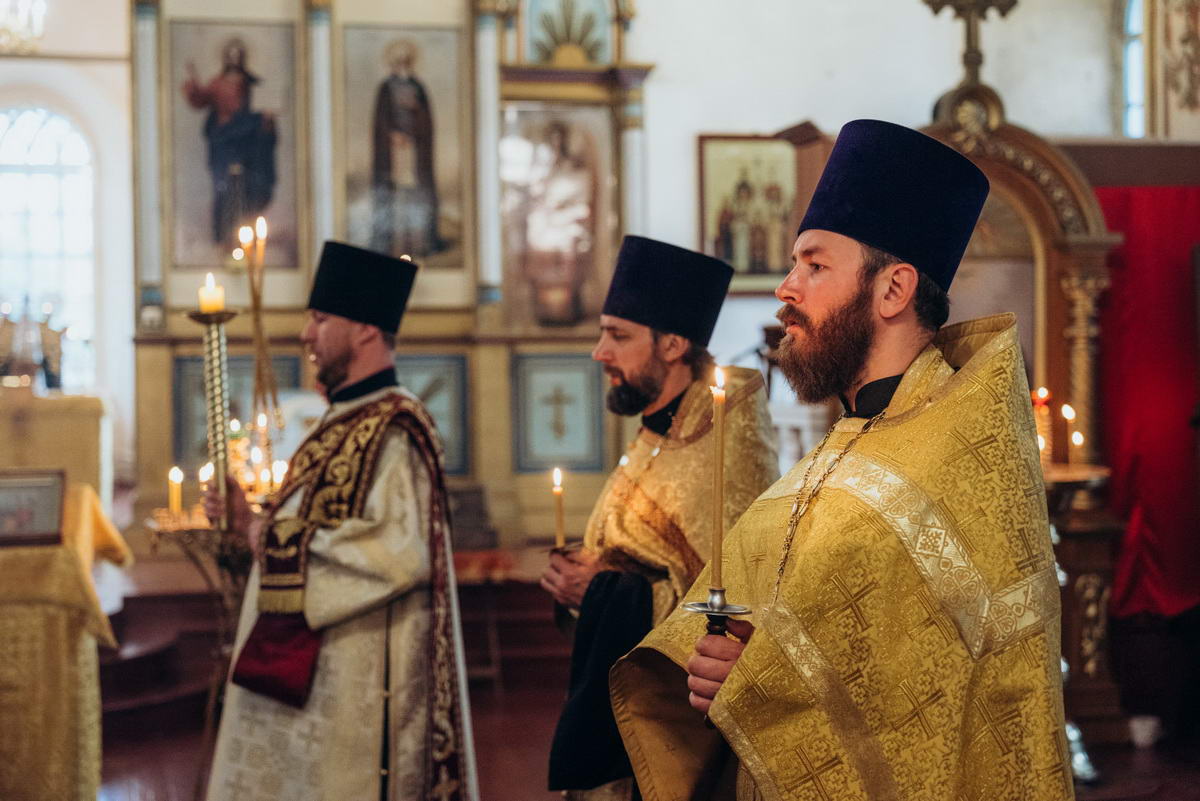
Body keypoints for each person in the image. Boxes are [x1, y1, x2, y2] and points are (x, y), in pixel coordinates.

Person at [609, 120, 1072, 801]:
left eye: (815, 265)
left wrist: (757, 684)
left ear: (893, 290)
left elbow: (942, 699)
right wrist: (713, 658)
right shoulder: (843, 444)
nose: (786, 288)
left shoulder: (961, 464)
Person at [204, 242, 477, 801]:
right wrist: (247, 523)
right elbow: (311, 527)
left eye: (321, 319)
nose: (306, 334)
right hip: (311, 689)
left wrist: (259, 532)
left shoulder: (397, 430)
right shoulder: (339, 422)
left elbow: (398, 553)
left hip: (360, 702)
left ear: (366, 330)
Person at [541, 235, 779, 801]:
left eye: (618, 335)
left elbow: (735, 600)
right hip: (619, 719)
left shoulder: (726, 447)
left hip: (679, 735)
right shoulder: (656, 433)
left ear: (673, 344)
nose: (600, 352)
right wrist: (580, 590)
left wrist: (602, 591)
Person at [182, 38, 277, 248]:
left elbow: (264, 108)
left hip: (247, 143)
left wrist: (266, 121)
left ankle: (246, 236)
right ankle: (224, 236)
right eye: (231, 55)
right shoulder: (217, 83)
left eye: (238, 55)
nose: (234, 60)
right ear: (226, 57)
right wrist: (193, 90)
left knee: (248, 188)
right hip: (224, 141)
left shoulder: (251, 84)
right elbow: (201, 99)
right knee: (224, 189)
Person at [370, 39, 441, 258]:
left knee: (417, 198)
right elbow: (380, 120)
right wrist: (393, 135)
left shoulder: (418, 88)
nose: (402, 65)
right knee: (391, 198)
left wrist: (414, 128)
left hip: (414, 152)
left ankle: (421, 243)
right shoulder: (386, 88)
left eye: (405, 61)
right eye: (398, 61)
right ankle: (387, 244)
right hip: (393, 153)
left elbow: (426, 120)